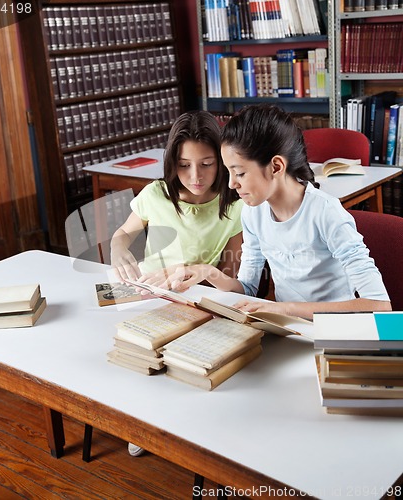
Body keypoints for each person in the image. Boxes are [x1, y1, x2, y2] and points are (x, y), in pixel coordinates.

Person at [155, 104, 391, 318]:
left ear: (276, 166)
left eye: (240, 173)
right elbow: (247, 288)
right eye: (228, 172)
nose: (231, 184)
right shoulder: (252, 213)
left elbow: (378, 305)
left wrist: (284, 307)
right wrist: (207, 272)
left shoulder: (325, 213)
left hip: (332, 331)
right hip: (287, 328)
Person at [110, 110, 244, 456]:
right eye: (184, 165)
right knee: (124, 348)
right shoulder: (157, 194)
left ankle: (168, 423)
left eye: (207, 164)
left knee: (181, 358)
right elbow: (123, 234)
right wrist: (117, 247)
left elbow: (234, 277)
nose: (195, 176)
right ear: (172, 163)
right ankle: (141, 419)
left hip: (193, 299)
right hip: (144, 292)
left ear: (223, 160)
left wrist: (200, 272)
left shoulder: (235, 206)